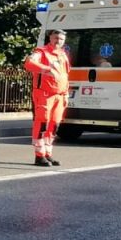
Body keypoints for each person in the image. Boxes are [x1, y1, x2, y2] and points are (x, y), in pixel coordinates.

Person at [24, 29, 71, 167]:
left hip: (59, 95)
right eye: (56, 38)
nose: (58, 41)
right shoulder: (41, 52)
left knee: (54, 125)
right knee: (42, 123)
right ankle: (39, 156)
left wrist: (66, 93)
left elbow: (65, 75)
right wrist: (47, 69)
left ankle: (48, 154)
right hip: (44, 94)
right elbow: (29, 63)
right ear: (50, 38)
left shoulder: (63, 54)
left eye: (61, 39)